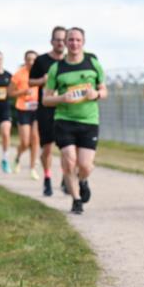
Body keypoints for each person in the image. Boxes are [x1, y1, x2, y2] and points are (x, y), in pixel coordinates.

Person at [42, 27, 106, 214]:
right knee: (69, 160)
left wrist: (96, 94)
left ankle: (83, 180)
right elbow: (46, 99)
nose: (74, 43)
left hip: (89, 120)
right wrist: (62, 98)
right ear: (65, 43)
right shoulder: (57, 68)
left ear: (83, 42)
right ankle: (76, 200)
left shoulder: (93, 63)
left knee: (85, 165)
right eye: (70, 40)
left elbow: (104, 91)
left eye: (78, 40)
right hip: (64, 120)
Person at [30, 27, 67, 196]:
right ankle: (47, 178)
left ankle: (66, 178)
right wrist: (42, 80)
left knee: (66, 147)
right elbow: (30, 82)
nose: (61, 42)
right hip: (46, 109)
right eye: (57, 39)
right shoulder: (41, 61)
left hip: (66, 109)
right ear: (52, 41)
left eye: (63, 39)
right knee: (47, 148)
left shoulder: (69, 61)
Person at [10, 50, 40, 178]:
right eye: (29, 59)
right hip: (23, 109)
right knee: (25, 141)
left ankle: (32, 168)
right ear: (25, 60)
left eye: (34, 59)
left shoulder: (41, 74)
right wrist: (22, 92)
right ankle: (17, 158)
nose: (31, 62)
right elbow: (10, 93)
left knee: (35, 139)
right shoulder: (19, 74)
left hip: (37, 109)